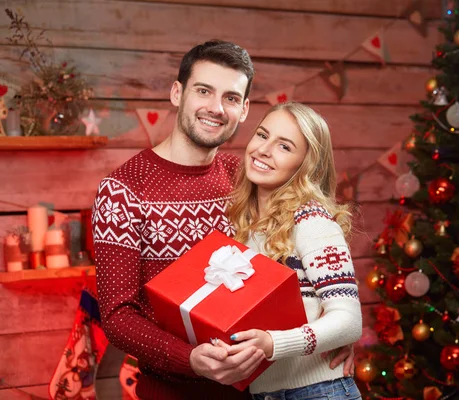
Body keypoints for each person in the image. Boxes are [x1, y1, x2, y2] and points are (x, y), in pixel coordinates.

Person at [92, 40, 353, 400]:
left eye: (230, 98)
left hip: (259, 388)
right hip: (173, 393)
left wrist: (324, 336)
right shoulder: (122, 190)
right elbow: (117, 316)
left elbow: (302, 262)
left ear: (244, 109)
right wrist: (191, 359)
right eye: (203, 91)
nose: (216, 108)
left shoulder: (245, 177)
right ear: (176, 92)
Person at [224, 102, 363, 400]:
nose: (263, 149)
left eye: (284, 147)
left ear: (306, 165)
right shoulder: (243, 227)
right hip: (265, 394)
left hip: (319, 391)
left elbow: (349, 321)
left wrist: (273, 345)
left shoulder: (310, 220)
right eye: (262, 135)